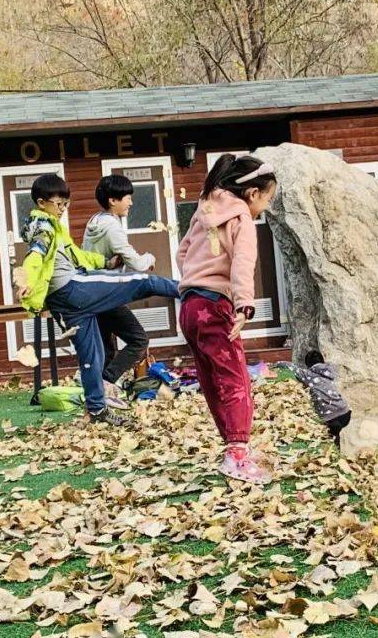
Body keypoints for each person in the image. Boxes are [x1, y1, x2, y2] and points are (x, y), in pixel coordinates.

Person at [15, 173, 182, 426]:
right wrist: (25, 279)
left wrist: (104, 262)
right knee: (140, 282)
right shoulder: (45, 227)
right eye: (58, 204)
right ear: (41, 203)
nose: (62, 209)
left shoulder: (54, 226)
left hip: (62, 303)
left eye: (66, 204)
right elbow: (35, 255)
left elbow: (77, 256)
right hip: (72, 290)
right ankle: (191, 288)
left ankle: (97, 411)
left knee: (91, 355)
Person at [177, 153, 277, 485]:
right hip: (217, 305)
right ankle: (237, 454)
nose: (264, 208)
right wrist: (244, 306)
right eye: (267, 200)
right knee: (235, 380)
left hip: (189, 306)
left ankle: (233, 447)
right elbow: (243, 263)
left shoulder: (204, 210)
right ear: (252, 194)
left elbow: (182, 252)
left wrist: (194, 277)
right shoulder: (241, 219)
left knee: (210, 380)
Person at [83, 174, 157, 408]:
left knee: (106, 348)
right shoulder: (113, 227)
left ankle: (99, 398)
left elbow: (92, 259)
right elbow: (136, 262)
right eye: (127, 198)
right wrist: (150, 258)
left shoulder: (94, 221)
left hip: (92, 291)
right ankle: (106, 382)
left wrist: (107, 264)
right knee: (139, 340)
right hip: (108, 294)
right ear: (113, 200)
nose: (131, 202)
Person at [275, 351, 351, 447]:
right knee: (336, 434)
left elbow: (291, 367)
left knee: (331, 438)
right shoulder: (330, 371)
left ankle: (335, 451)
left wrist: (276, 363)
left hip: (331, 416)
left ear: (308, 365)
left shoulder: (309, 375)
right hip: (345, 411)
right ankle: (338, 447)